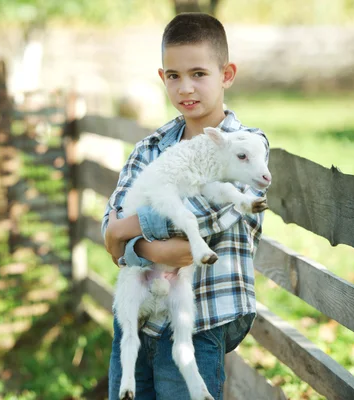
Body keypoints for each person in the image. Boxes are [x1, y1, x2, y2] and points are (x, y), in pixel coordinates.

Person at [102, 12, 270, 400]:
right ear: (162, 78)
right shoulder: (150, 147)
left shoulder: (246, 148)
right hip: (140, 317)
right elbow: (109, 230)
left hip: (201, 321)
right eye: (174, 76)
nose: (185, 88)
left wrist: (128, 233)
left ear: (226, 74)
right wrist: (134, 242)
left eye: (198, 73)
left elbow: (207, 214)